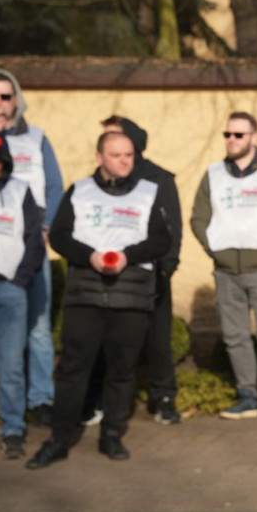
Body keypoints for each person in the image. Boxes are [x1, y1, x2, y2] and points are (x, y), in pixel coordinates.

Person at [26, 130, 171, 468]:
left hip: (131, 296)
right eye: (116, 155)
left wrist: (128, 255)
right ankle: (59, 439)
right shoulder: (80, 191)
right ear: (99, 157)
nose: (124, 161)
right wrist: (90, 255)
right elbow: (59, 236)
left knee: (121, 372)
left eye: (129, 155)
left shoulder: (149, 193)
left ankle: (111, 435)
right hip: (85, 295)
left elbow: (162, 240)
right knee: (73, 371)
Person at [191, 111, 257, 424]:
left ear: (253, 137)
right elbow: (198, 217)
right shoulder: (213, 174)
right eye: (228, 134)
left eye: (238, 134)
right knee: (235, 335)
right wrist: (215, 251)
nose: (231, 140)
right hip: (224, 270)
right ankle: (247, 396)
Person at [85, 115, 184, 425]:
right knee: (107, 341)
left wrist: (166, 269)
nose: (109, 145)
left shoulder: (159, 179)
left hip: (153, 275)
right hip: (112, 278)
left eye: (114, 136)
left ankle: (164, 398)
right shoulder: (98, 181)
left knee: (158, 341)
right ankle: (101, 401)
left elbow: (173, 228)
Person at [0, 69, 63, 429]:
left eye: (6, 96)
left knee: (37, 327)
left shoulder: (35, 138)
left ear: (17, 100)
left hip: (29, 249)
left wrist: (46, 227)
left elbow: (54, 186)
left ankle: (40, 398)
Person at [0, 134, 45, 459]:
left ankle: (13, 428)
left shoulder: (19, 191)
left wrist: (20, 280)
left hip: (9, 290)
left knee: (11, 365)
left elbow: (34, 241)